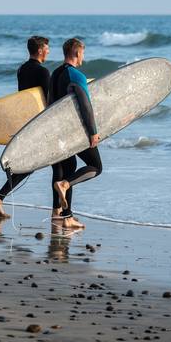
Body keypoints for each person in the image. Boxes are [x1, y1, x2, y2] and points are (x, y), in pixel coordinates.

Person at [0, 35, 51, 218]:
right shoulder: (43, 72)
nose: (48, 51)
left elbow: (22, 98)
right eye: (47, 48)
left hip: (24, 120)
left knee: (30, 163)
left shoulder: (22, 69)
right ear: (40, 50)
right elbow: (48, 103)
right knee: (31, 164)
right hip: (38, 122)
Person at [49, 38, 102, 229]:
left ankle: (66, 216)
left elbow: (49, 105)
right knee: (96, 166)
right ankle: (65, 185)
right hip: (74, 132)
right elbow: (86, 106)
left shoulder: (54, 74)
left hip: (57, 131)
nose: (83, 58)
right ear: (77, 53)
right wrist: (93, 132)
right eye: (83, 53)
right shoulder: (76, 75)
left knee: (69, 167)